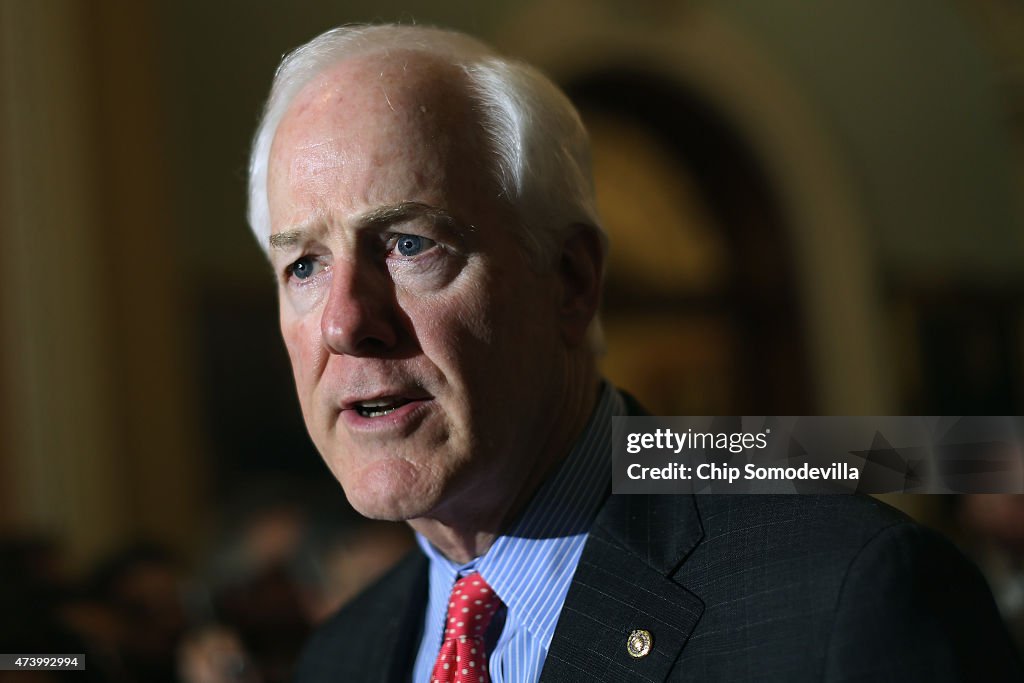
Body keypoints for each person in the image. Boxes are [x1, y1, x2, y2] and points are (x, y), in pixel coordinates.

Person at [246, 23, 1022, 682]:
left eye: (411, 243)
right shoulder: (338, 657)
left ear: (572, 282)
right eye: (304, 265)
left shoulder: (848, 601)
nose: (346, 320)